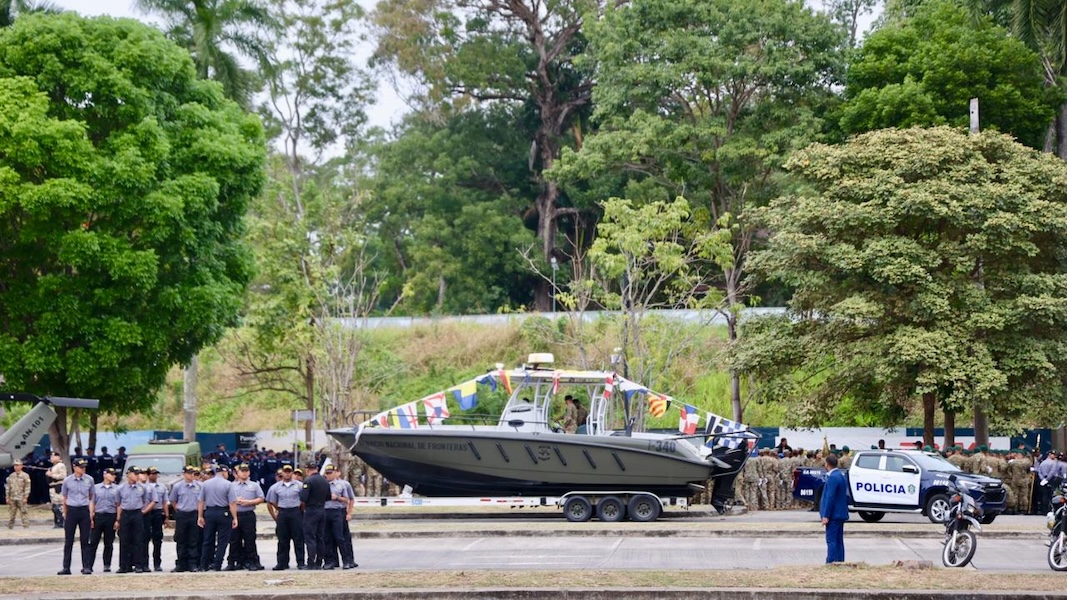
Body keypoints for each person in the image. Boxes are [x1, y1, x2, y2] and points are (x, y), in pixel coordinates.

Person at [59, 457, 95, 575]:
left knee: (85, 540)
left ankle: (86, 566)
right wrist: (65, 513)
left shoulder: (89, 480)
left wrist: (91, 515)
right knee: (69, 540)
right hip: (72, 510)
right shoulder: (67, 481)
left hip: (84, 510)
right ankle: (66, 567)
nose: (83, 469)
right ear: (74, 467)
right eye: (81, 467)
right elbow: (65, 498)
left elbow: (91, 497)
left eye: (84, 467)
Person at [199, 464, 238, 572]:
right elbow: (232, 503)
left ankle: (204, 565)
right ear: (225, 472)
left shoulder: (206, 483)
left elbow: (201, 501)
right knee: (222, 541)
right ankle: (217, 565)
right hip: (223, 512)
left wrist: (200, 516)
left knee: (207, 540)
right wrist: (235, 517)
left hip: (209, 512)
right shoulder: (228, 484)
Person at [226, 463, 265, 571]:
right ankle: (233, 562)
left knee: (250, 539)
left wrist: (249, 502)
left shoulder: (254, 485)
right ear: (237, 473)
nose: (244, 473)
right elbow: (225, 499)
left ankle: (252, 561)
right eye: (242, 471)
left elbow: (261, 498)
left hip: (248, 515)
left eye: (246, 471)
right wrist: (234, 501)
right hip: (235, 515)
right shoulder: (231, 485)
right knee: (234, 540)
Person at [266, 464, 305, 570]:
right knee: (282, 539)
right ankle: (282, 563)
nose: (287, 474)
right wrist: (278, 510)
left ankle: (301, 562)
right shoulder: (275, 487)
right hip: (283, 512)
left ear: (292, 473)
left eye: (289, 472)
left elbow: (303, 500)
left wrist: (300, 510)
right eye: (285, 472)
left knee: (298, 538)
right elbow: (271, 501)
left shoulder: (299, 485)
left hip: (295, 512)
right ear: (282, 473)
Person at [115, 467, 151, 573]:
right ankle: (124, 566)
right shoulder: (121, 488)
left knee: (138, 540)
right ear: (129, 474)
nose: (137, 476)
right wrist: (118, 519)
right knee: (124, 540)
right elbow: (118, 504)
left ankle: (138, 565)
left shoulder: (142, 488)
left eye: (138, 474)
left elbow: (144, 500)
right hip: (125, 514)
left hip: (137, 513)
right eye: (135, 474)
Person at [169, 465, 203, 572]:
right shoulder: (177, 486)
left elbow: (201, 501)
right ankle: (181, 563)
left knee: (193, 539)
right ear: (184, 474)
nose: (191, 475)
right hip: (182, 514)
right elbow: (173, 500)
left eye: (193, 473)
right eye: (189, 473)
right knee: (181, 539)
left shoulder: (199, 486)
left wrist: (200, 515)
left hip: (194, 514)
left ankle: (192, 564)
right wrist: (179, 509)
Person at [322, 464, 356, 570]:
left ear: (335, 473)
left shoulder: (341, 485)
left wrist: (337, 498)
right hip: (325, 511)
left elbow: (347, 499)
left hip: (337, 512)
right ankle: (330, 561)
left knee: (339, 537)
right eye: (327, 473)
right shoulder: (323, 485)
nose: (328, 475)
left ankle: (346, 560)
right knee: (327, 538)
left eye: (330, 473)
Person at [819, 453, 849, 564]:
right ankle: (840, 560)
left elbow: (830, 497)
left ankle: (831, 561)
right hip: (840, 513)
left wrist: (826, 515)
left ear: (827, 464)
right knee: (838, 540)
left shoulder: (832, 478)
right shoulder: (840, 475)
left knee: (831, 540)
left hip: (834, 514)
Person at [300, 461, 330, 569]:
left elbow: (303, 498)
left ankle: (311, 562)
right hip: (322, 509)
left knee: (310, 537)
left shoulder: (308, 481)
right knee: (320, 537)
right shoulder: (325, 480)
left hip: (311, 510)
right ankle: (319, 561)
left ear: (307, 470)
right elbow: (328, 497)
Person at [88, 467, 119, 573]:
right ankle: (88, 565)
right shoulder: (96, 488)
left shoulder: (117, 489)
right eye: (111, 474)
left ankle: (107, 565)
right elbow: (92, 502)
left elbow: (118, 504)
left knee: (108, 543)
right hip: (98, 516)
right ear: (105, 474)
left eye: (114, 474)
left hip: (111, 516)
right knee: (93, 542)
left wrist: (117, 520)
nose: (113, 476)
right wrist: (91, 517)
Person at [143, 466, 167, 571]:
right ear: (148, 475)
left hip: (157, 512)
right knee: (145, 538)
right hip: (146, 513)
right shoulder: (144, 486)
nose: (155, 475)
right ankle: (145, 563)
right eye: (152, 474)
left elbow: (165, 501)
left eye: (156, 473)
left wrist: (166, 516)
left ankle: (157, 563)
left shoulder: (162, 486)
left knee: (157, 539)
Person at [5, 459, 31, 529]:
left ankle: (26, 526)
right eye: (15, 465)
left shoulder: (25, 475)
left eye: (17, 465)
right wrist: (7, 497)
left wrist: (26, 497)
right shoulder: (11, 475)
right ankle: (10, 527)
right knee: (12, 513)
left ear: (21, 466)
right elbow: (8, 487)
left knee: (24, 512)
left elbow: (27, 487)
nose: (16, 467)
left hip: (21, 497)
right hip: (12, 497)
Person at [47, 451, 67, 529]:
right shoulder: (53, 466)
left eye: (53, 456)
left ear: (58, 457)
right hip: (52, 487)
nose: (51, 458)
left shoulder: (60, 465)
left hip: (58, 487)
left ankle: (61, 521)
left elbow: (63, 475)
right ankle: (57, 522)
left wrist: (52, 475)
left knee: (59, 505)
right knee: (54, 505)